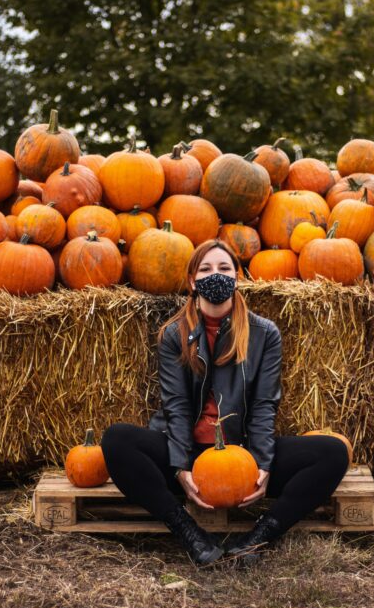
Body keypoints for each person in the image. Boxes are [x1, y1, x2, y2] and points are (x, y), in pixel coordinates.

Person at [101, 239, 350, 565]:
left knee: (332, 453)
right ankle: (187, 530)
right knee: (117, 440)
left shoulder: (264, 333)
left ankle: (258, 538)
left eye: (223, 268)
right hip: (187, 454)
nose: (214, 275)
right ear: (192, 281)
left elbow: (264, 404)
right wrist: (180, 469)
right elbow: (176, 407)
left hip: (240, 452)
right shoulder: (175, 334)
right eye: (205, 269)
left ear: (237, 277)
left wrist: (261, 464)